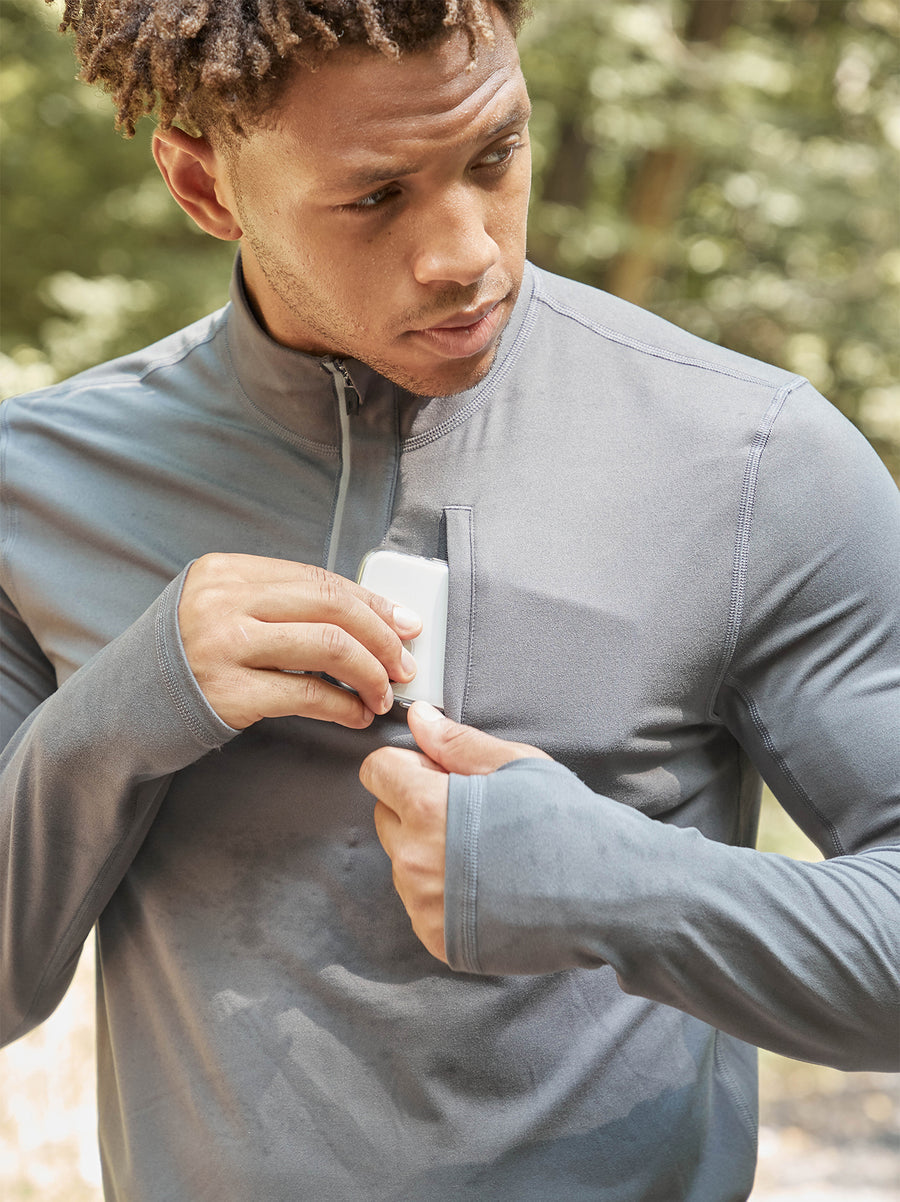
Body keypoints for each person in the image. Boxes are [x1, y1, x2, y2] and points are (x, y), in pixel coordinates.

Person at [1, 1, 897, 1198]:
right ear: (204, 185)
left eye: (495, 156)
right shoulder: (36, 488)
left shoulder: (754, 460)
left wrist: (617, 886)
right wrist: (122, 707)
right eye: (376, 197)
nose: (466, 252)